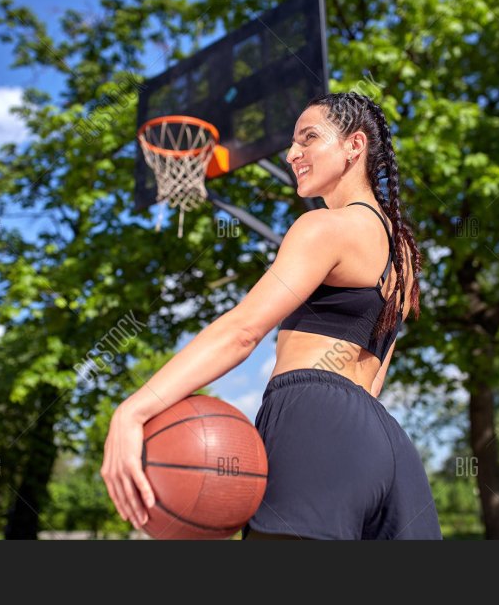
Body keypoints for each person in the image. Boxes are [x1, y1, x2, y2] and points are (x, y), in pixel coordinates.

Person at [102, 91, 442, 540]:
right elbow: (374, 379)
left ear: (354, 145)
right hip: (385, 447)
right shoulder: (403, 255)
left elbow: (243, 332)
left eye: (309, 138)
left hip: (313, 420)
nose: (291, 153)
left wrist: (133, 410)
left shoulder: (322, 227)